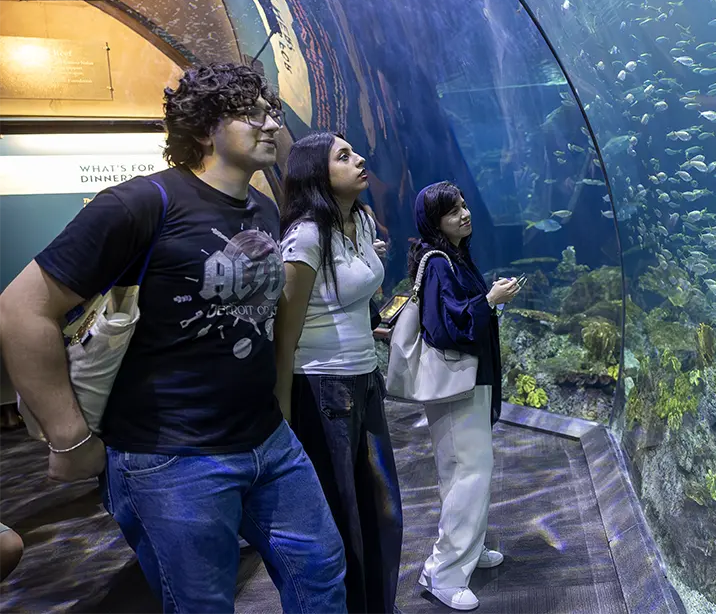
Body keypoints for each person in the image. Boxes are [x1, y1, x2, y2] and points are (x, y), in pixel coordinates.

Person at [0, 63, 347, 612]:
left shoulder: (259, 207)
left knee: (323, 573)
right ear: (207, 127)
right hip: (171, 458)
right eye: (249, 112)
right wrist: (70, 438)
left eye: (270, 111)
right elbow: (21, 310)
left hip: (266, 441)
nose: (269, 123)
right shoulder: (139, 203)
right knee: (201, 604)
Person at [274, 132, 403, 614]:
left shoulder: (363, 221)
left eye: (354, 152)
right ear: (315, 173)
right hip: (321, 386)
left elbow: (353, 297)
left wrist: (371, 329)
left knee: (382, 512)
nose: (360, 159)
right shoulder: (306, 237)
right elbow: (285, 336)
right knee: (341, 515)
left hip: (365, 379)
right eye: (343, 156)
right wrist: (282, 415)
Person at [408, 181, 521, 611]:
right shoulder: (437, 263)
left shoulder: (454, 257)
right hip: (456, 386)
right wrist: (489, 301)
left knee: (467, 474)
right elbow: (444, 328)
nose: (464, 213)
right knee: (467, 474)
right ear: (434, 221)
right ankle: (444, 572)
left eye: (463, 205)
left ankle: (466, 553)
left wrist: (490, 301)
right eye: (452, 210)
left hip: (467, 382)